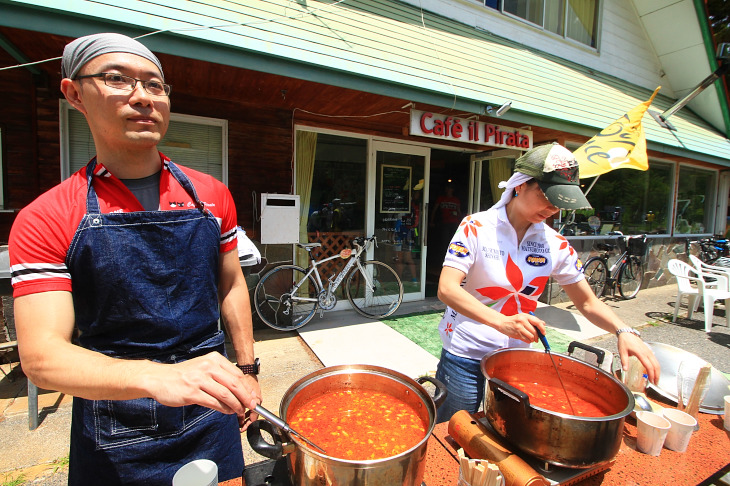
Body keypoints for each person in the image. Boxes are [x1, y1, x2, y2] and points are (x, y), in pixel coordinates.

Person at [8, 33, 261, 485]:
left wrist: (247, 370)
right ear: (74, 94)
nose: (142, 97)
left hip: (212, 402)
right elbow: (42, 357)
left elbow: (231, 285)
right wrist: (157, 377)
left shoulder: (211, 195)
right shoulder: (45, 217)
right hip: (115, 421)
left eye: (155, 85)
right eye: (116, 79)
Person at [434, 143, 660, 423]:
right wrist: (501, 322)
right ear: (520, 185)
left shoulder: (555, 245)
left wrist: (624, 330)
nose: (553, 208)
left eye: (561, 202)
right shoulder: (476, 227)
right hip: (464, 354)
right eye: (548, 197)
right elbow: (447, 288)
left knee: (504, 431)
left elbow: (588, 302)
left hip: (515, 359)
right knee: (453, 429)